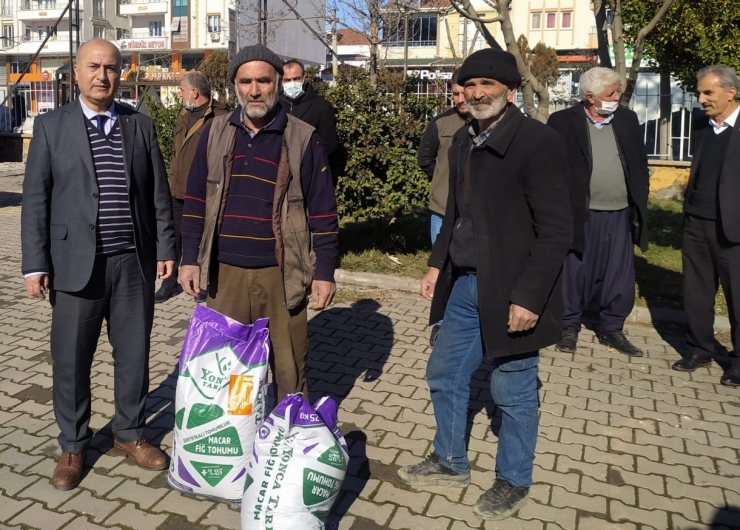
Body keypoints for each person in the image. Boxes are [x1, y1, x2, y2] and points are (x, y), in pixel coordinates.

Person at [397, 49, 572, 521]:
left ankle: (513, 479)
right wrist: (437, 265)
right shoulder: (462, 142)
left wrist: (530, 297)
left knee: (512, 388)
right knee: (445, 373)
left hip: (513, 290)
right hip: (464, 285)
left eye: (487, 85)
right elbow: (455, 214)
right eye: (469, 84)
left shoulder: (538, 143)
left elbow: (557, 230)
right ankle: (450, 460)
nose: (476, 93)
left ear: (510, 91)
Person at [21, 38, 176, 491]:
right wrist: (35, 264)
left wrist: (166, 248)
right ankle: (73, 443)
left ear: (120, 73)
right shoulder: (50, 127)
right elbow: (35, 201)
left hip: (132, 264)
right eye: (93, 66)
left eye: (110, 68)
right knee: (70, 360)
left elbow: (158, 196)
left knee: (134, 356)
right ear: (77, 69)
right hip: (74, 267)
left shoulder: (139, 126)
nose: (102, 76)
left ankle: (129, 434)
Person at [179, 45, 338, 402]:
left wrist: (324, 271)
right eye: (246, 81)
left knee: (289, 372)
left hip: (283, 277)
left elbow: (323, 211)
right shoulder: (215, 132)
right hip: (225, 277)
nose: (254, 90)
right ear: (234, 85)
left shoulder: (303, 138)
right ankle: (242, 444)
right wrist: (190, 257)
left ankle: (287, 445)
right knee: (233, 373)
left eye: (263, 81)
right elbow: (195, 202)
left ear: (278, 83)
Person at [547, 67, 649, 357]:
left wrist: (641, 194)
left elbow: (639, 163)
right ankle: (569, 325)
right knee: (575, 270)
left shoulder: (627, 120)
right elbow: (550, 167)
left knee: (618, 272)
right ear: (590, 97)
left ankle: (612, 327)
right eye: (611, 93)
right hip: (580, 211)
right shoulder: (562, 122)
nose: (616, 97)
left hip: (620, 211)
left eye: (617, 92)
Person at [672, 65, 740, 387]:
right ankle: (699, 348)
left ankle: (738, 362)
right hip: (697, 223)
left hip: (733, 230)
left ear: (731, 93)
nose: (701, 99)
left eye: (708, 93)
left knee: (737, 297)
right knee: (696, 292)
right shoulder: (701, 126)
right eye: (699, 92)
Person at [154, 71, 229, 304]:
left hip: (204, 192)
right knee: (174, 236)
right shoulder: (185, 114)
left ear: (194, 92)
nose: (179, 93)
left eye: (182, 89)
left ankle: (204, 283)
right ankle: (169, 282)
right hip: (176, 188)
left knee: (205, 239)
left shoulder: (221, 117)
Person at [417, 69, 471, 346]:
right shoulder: (440, 124)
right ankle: (439, 323)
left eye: (463, 93)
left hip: (474, 213)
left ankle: (466, 321)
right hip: (442, 210)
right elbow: (425, 160)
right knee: (441, 266)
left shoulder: (489, 123)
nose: (459, 99)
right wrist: (442, 182)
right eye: (455, 94)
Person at [279, 58, 340, 177]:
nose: (292, 83)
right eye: (287, 80)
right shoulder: (275, 105)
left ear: (304, 78)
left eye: (296, 79)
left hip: (308, 174)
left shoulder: (322, 107)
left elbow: (329, 144)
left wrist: (308, 164)